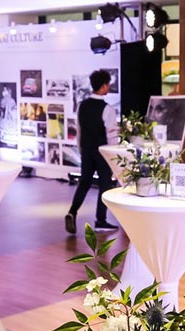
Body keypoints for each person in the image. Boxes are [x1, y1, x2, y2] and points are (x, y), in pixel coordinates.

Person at [65, 69, 119, 234]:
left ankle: (72, 211)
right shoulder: (107, 109)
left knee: (84, 182)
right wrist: (114, 155)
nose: (108, 87)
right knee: (105, 185)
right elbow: (111, 135)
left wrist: (81, 148)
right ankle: (100, 220)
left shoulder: (82, 105)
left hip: (86, 150)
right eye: (107, 84)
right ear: (103, 86)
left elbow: (79, 130)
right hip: (102, 152)